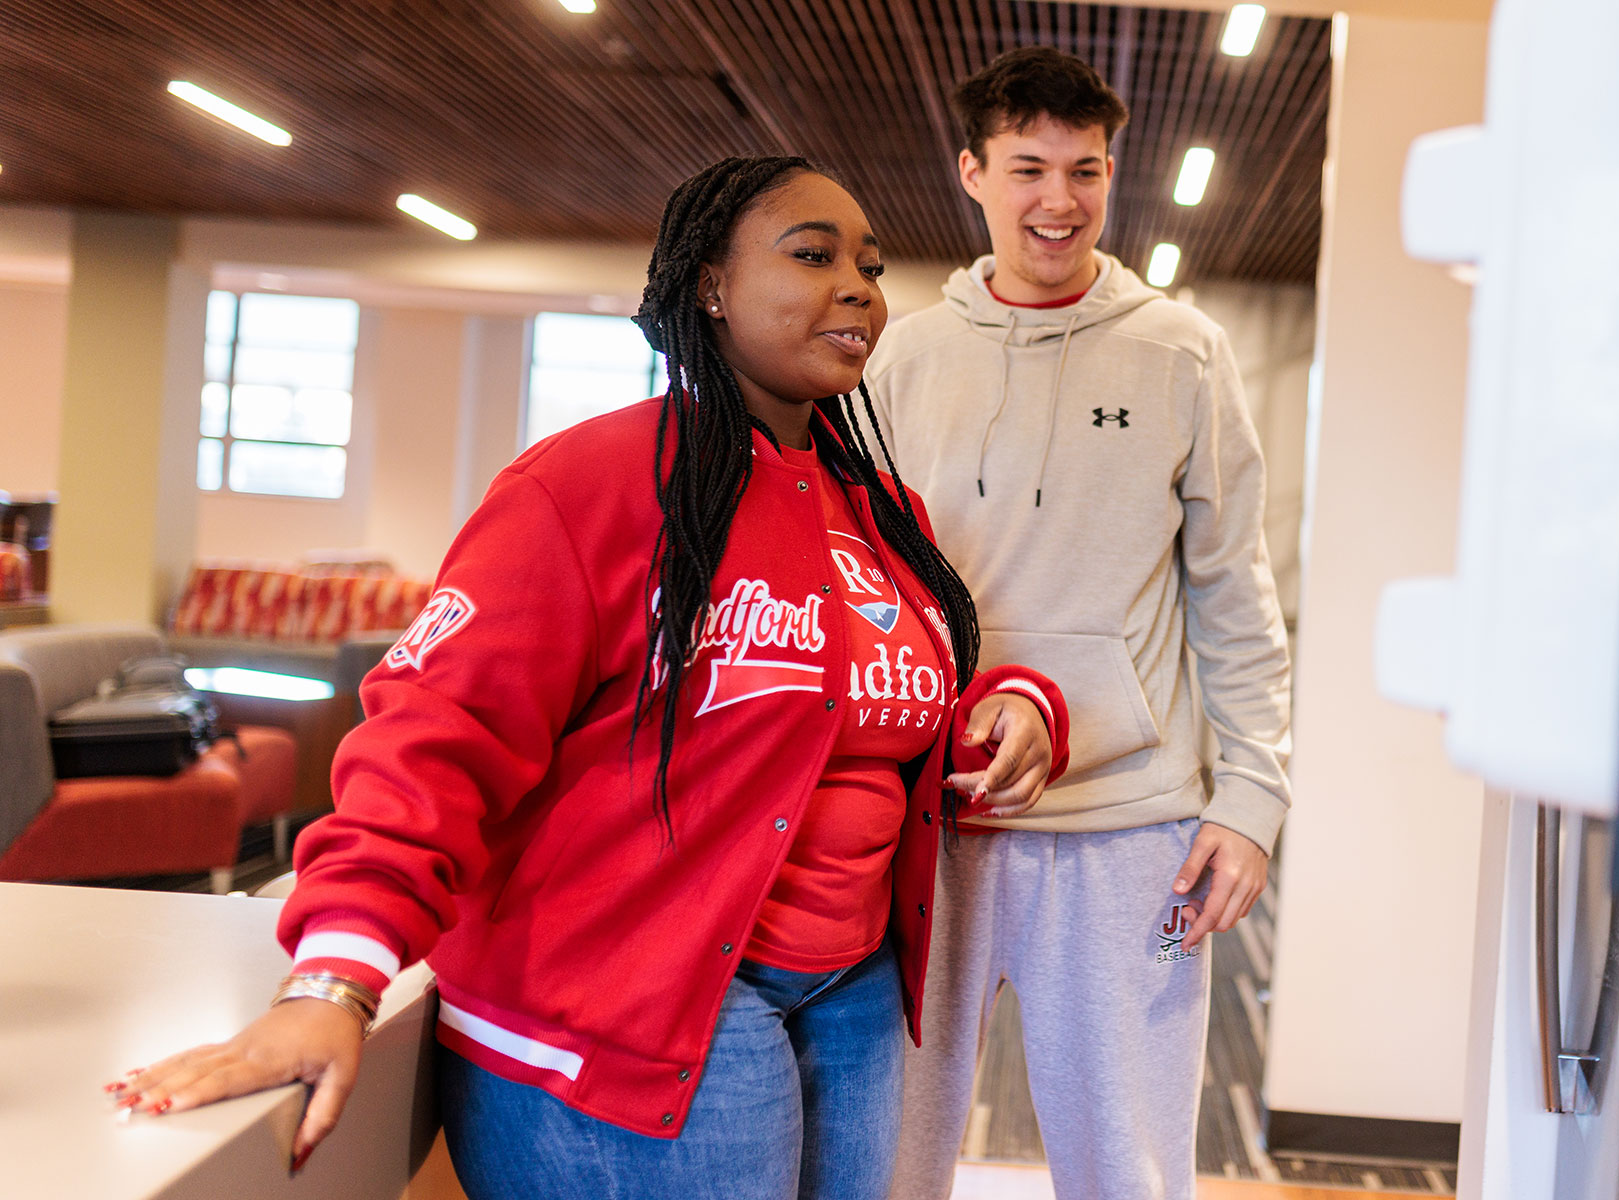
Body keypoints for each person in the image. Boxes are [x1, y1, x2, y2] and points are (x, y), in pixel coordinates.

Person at [106, 156, 1070, 1200]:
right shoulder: (587, 485)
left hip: (850, 994)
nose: (859, 288)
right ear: (709, 284)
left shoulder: (886, 514)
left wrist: (1009, 710)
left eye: (871, 268)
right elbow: (435, 732)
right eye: (813, 254)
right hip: (635, 1004)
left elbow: (858, 704)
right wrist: (334, 981)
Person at [867, 47, 1293, 1200]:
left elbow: (1234, 594)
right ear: (972, 171)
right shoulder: (904, 355)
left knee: (1129, 1169)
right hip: (929, 821)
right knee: (887, 1158)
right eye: (1028, 168)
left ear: (1113, 173)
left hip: (1130, 825)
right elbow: (865, 591)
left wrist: (1253, 801)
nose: (1059, 201)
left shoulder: (1182, 352)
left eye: (1086, 170)